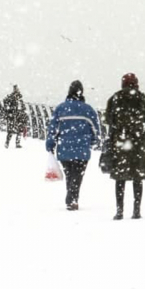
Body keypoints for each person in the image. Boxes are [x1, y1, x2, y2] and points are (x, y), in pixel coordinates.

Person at [104, 73, 145, 220]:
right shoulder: (142, 98)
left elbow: (108, 119)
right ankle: (136, 210)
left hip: (120, 141)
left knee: (120, 178)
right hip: (138, 142)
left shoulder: (115, 98)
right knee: (137, 178)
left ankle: (119, 211)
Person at [46, 81, 101, 211]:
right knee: (78, 175)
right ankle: (72, 198)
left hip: (64, 148)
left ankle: (71, 197)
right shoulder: (88, 110)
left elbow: (53, 129)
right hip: (82, 149)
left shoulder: (61, 109)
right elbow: (96, 131)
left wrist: (50, 144)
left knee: (70, 174)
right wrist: (93, 141)